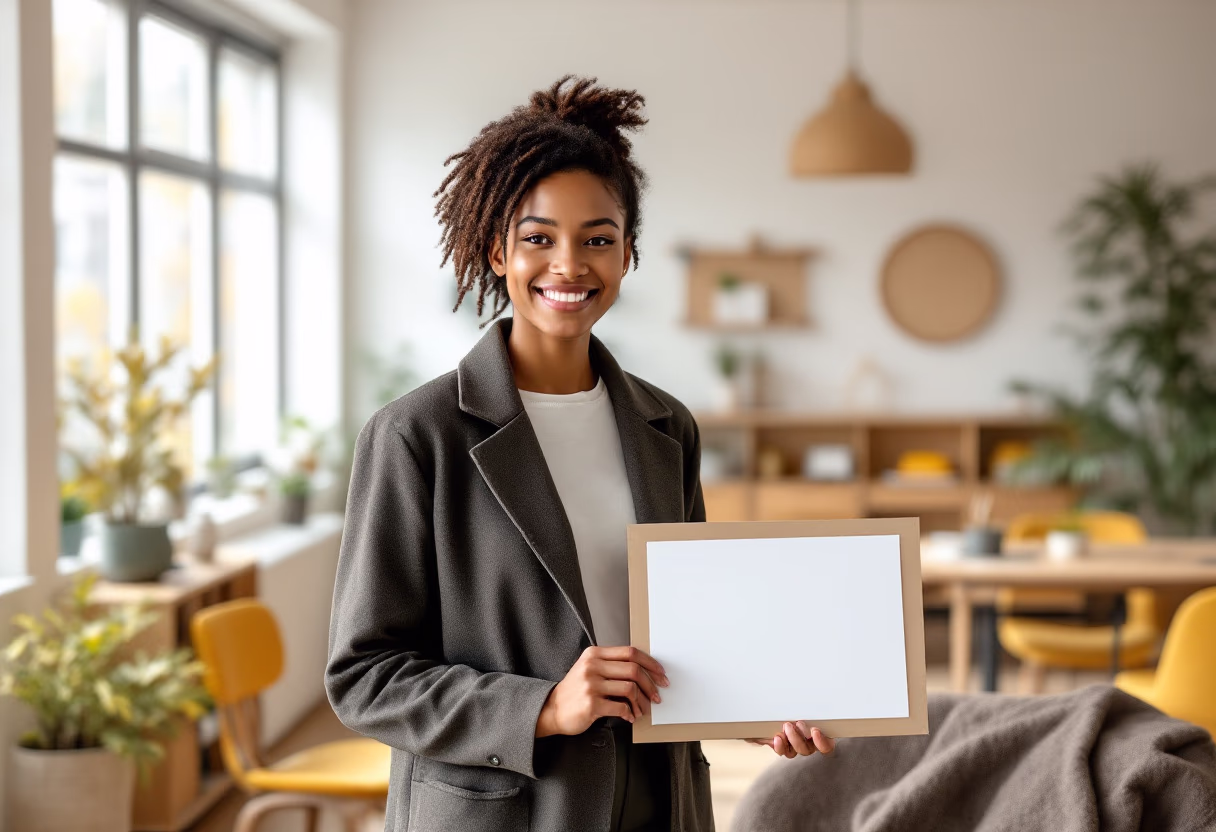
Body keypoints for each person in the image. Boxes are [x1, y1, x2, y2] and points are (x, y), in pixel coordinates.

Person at [325, 75, 834, 832]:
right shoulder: (416, 434)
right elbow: (365, 677)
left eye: (598, 238)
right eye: (538, 238)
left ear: (628, 254)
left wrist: (749, 707)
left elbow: (688, 633)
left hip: (660, 799)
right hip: (507, 809)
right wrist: (543, 706)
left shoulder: (667, 427)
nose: (569, 265)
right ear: (497, 251)